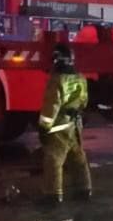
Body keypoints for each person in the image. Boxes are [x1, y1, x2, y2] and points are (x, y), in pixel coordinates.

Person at [38, 43, 91, 204]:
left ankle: (52, 196)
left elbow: (51, 106)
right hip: (74, 125)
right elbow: (84, 101)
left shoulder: (57, 80)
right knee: (78, 158)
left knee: (53, 160)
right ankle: (83, 190)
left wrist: (43, 128)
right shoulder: (80, 77)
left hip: (59, 127)